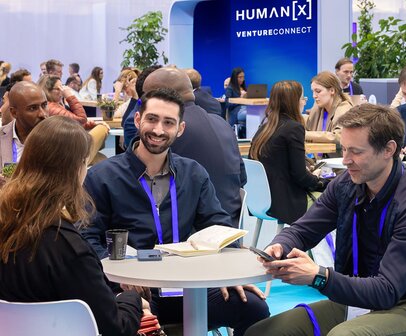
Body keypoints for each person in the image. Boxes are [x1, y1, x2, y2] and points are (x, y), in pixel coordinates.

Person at [246, 103, 406, 336]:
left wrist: (319, 276)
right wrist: (280, 246)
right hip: (359, 298)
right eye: (344, 149)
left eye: (356, 152)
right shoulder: (346, 185)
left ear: (389, 149)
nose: (345, 160)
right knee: (262, 332)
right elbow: (303, 230)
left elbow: (387, 290)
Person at [81, 88, 269, 335]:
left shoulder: (193, 173)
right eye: (152, 119)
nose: (158, 130)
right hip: (133, 291)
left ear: (179, 129)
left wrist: (229, 274)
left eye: (168, 123)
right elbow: (87, 238)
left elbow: (220, 226)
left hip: (190, 287)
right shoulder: (102, 177)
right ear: (138, 120)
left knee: (254, 308)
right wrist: (117, 275)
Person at [0, 116, 147, 336]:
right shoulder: (68, 248)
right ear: (76, 168)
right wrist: (133, 299)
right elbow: (116, 328)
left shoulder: (8, 221)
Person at [143, 67, 247, 227]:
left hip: (186, 237)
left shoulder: (164, 132)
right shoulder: (223, 124)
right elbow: (242, 179)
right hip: (230, 229)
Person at [249, 80, 326, 224]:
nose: (304, 102)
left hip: (262, 201)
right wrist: (320, 182)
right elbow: (301, 177)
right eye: (303, 98)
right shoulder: (294, 128)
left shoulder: (264, 127)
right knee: (337, 197)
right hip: (287, 204)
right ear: (294, 101)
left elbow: (278, 166)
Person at [39, 75, 109, 164]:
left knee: (102, 159)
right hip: (68, 151)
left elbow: (72, 124)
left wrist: (89, 125)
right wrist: (70, 97)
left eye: (62, 87)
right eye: (58, 89)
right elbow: (82, 119)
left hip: (68, 146)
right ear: (47, 91)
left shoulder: (54, 105)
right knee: (102, 128)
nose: (62, 92)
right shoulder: (51, 107)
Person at [0, 81, 47, 168]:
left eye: (44, 105)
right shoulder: (1, 136)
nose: (42, 114)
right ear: (14, 113)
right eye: (33, 108)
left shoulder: (57, 138)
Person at [305, 71, 354, 145]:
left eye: (318, 91)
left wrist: (304, 135)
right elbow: (308, 125)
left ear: (332, 90)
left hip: (337, 156)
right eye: (313, 91)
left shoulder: (344, 109)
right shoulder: (319, 106)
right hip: (321, 156)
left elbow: (339, 136)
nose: (314, 96)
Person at [225, 67, 247, 136]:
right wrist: (240, 98)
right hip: (237, 112)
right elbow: (227, 104)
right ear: (235, 77)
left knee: (254, 113)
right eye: (239, 77)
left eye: (243, 77)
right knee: (250, 115)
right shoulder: (230, 88)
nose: (242, 79)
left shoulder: (244, 87)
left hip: (245, 109)